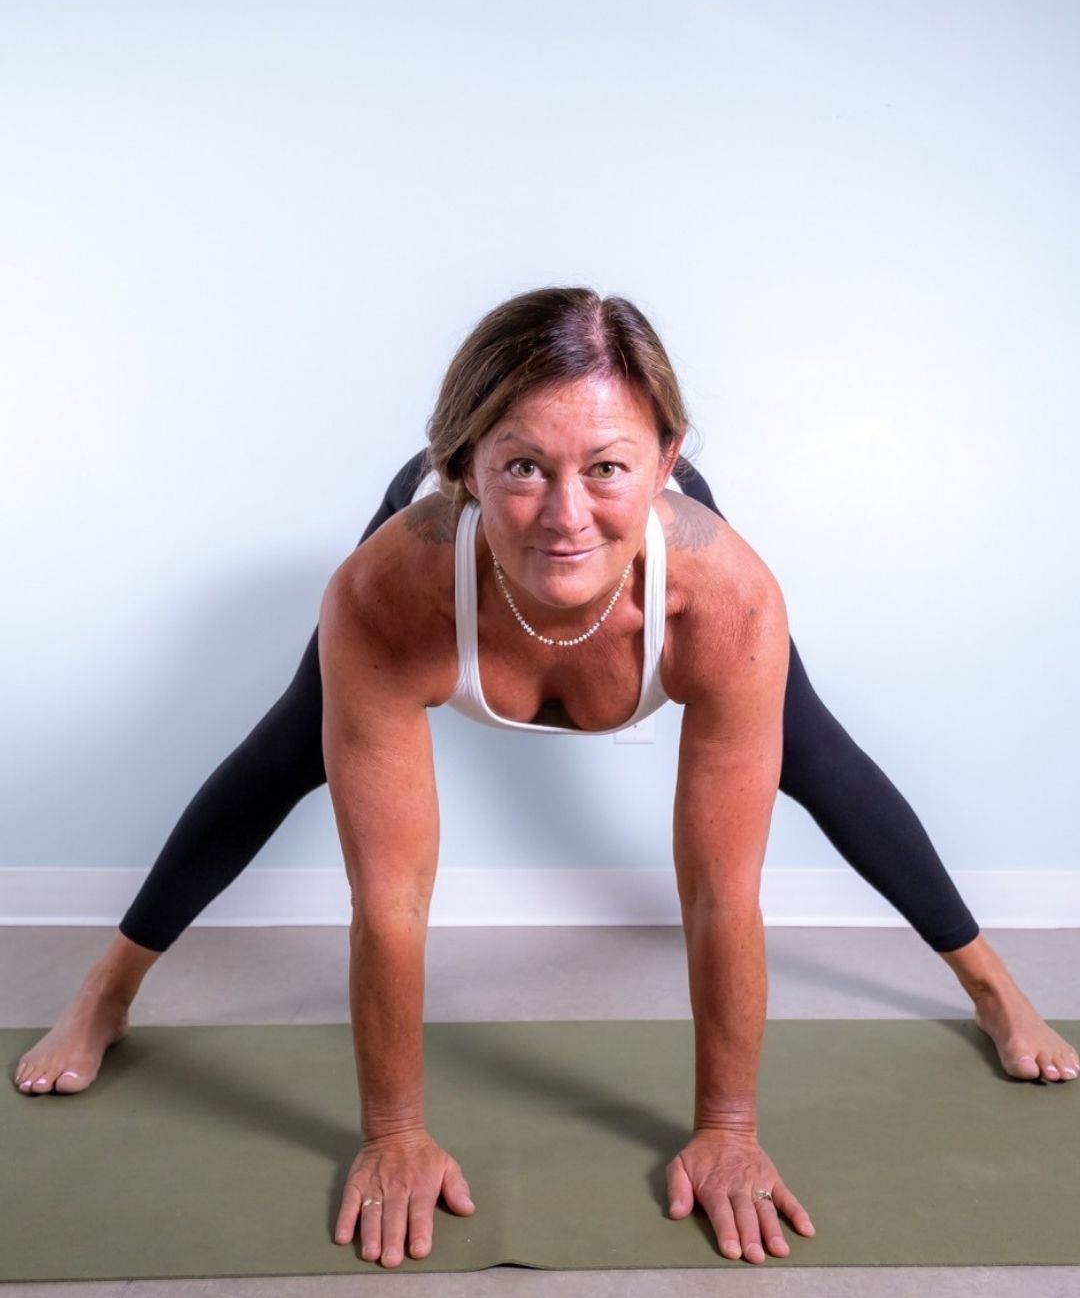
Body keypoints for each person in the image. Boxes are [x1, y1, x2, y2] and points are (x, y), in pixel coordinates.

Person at [13, 288, 1077, 1269]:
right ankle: (105, 992)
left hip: (672, 582)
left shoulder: (727, 598)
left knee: (816, 751)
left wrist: (730, 1130)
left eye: (608, 469)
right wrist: (395, 1134)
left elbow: (720, 893)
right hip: (442, 576)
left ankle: (994, 986)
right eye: (522, 467)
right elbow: (392, 897)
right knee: (290, 748)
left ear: (666, 463)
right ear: (466, 465)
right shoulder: (391, 586)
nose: (568, 515)